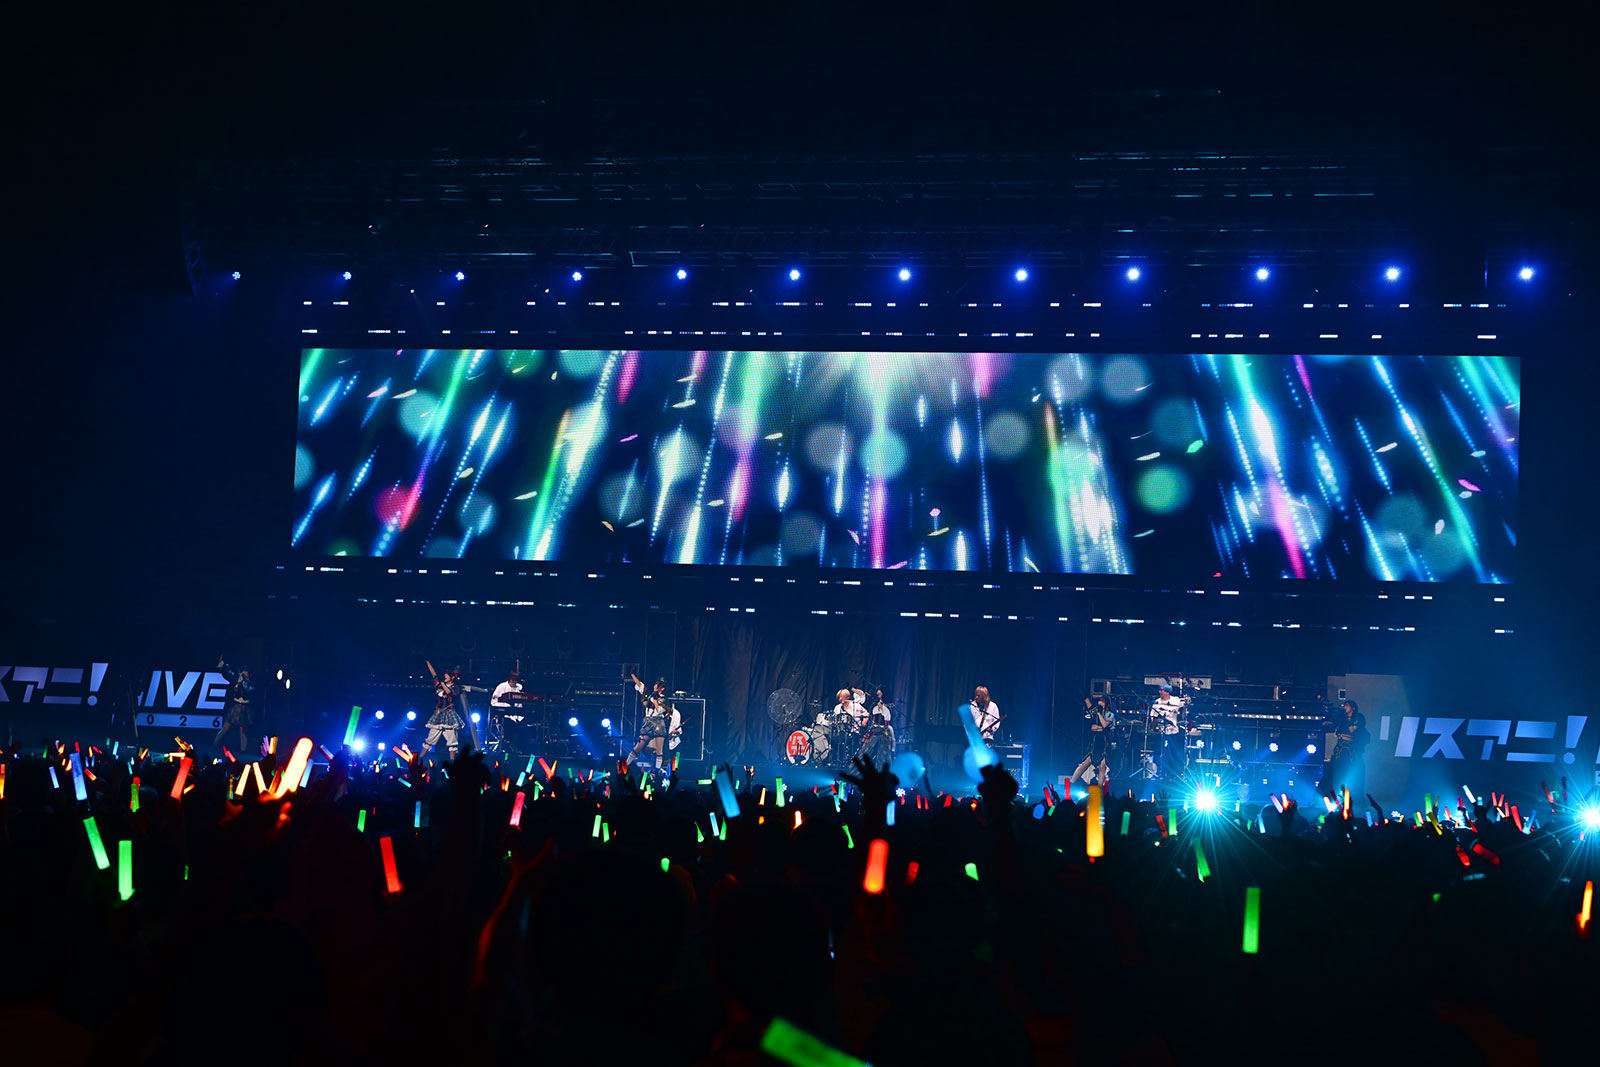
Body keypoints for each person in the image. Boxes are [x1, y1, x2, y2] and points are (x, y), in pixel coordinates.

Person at [1318, 697, 1368, 800]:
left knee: (1351, 773)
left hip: (1351, 750)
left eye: (1347, 705)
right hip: (1340, 749)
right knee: (1332, 772)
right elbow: (1337, 732)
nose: (1345, 707)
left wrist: (1345, 721)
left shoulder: (1358, 718)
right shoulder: (1342, 719)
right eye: (1344, 705)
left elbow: (1352, 730)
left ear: (1353, 708)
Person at [628, 673, 680, 772]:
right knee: (639, 745)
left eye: (658, 685)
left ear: (662, 688)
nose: (655, 685)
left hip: (658, 722)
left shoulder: (664, 699)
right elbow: (640, 685)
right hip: (648, 722)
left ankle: (656, 770)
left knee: (659, 750)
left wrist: (655, 701)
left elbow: (659, 710)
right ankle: (626, 764)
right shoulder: (649, 694)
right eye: (656, 684)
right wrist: (632, 674)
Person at [421, 662, 464, 760]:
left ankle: (452, 762)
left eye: (447, 674)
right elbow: (434, 674)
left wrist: (442, 684)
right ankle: (419, 759)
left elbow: (448, 692)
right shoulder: (440, 686)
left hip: (450, 715)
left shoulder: (456, 687)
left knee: (452, 740)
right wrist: (427, 662)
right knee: (430, 738)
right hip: (438, 714)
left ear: (452, 677)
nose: (445, 676)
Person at [1070, 695, 1113, 787]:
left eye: (1102, 701)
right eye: (1099, 700)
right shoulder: (1095, 711)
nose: (1100, 702)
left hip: (1103, 740)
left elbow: (1104, 725)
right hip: (1094, 739)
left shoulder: (1110, 714)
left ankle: (1099, 788)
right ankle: (1071, 782)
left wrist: (1099, 714)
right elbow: (1088, 703)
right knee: (1086, 761)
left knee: (1102, 765)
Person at [213, 658, 252, 753]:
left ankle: (243, 750)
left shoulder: (251, 683)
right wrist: (223, 665)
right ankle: (214, 744)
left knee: (243, 730)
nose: (244, 673)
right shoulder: (236, 679)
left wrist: (242, 682)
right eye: (243, 671)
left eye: (245, 671)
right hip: (236, 706)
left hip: (245, 708)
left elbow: (248, 690)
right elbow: (228, 674)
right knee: (226, 727)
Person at [1151, 685, 1186, 780]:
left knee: (1173, 752)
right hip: (1161, 731)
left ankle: (1173, 772)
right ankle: (1159, 771)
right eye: (1159, 690)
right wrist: (1154, 729)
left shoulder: (1176, 700)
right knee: (1159, 752)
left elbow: (1185, 705)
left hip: (1173, 731)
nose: (1160, 692)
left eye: (1162, 690)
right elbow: (1153, 718)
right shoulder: (1156, 703)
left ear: (1167, 692)